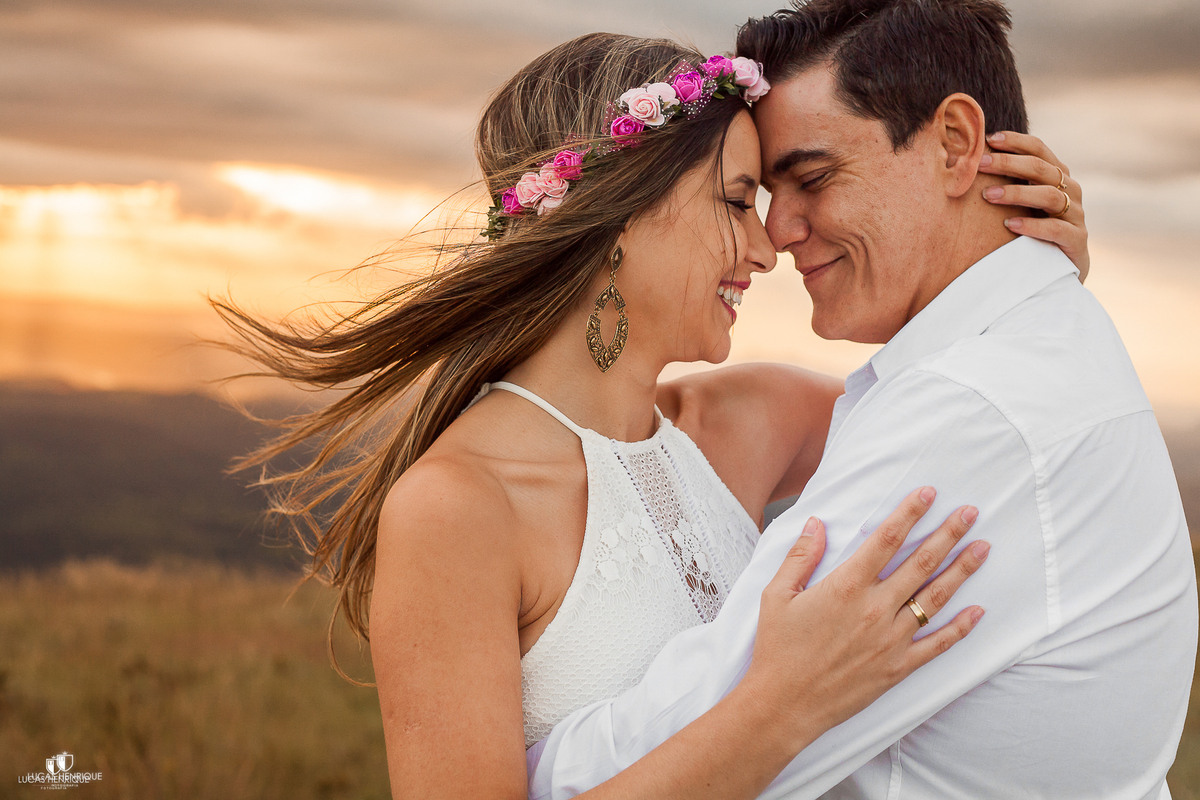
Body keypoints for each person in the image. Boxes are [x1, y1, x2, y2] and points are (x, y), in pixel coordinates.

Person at [215, 23, 1092, 800]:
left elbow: (981, 412)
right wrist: (783, 709)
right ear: (621, 212)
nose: (767, 244)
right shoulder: (459, 508)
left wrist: (1026, 261)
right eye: (738, 200)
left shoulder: (751, 419)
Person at [526, 2, 1198, 799]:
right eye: (752, 196)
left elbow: (709, 731)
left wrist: (500, 762)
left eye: (811, 178)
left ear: (955, 144)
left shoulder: (967, 414)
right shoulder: (1053, 337)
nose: (777, 235)